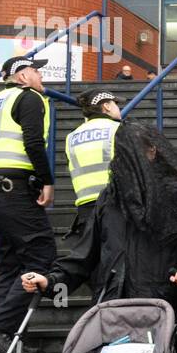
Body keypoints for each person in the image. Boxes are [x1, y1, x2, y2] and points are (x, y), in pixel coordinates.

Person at [21, 122, 177, 348]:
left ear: (153, 151)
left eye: (133, 154)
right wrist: (51, 280)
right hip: (114, 306)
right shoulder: (110, 198)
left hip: (162, 305)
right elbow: (85, 254)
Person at [0, 55, 57, 352]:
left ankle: (2, 338)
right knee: (42, 254)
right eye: (36, 71)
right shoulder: (29, 97)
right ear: (22, 77)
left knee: (10, 265)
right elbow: (33, 142)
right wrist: (47, 180)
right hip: (15, 190)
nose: (41, 76)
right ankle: (0, 327)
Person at [63, 88, 121, 240]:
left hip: (85, 208)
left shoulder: (71, 137)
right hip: (114, 205)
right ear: (106, 106)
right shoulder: (117, 129)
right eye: (115, 104)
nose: (118, 108)